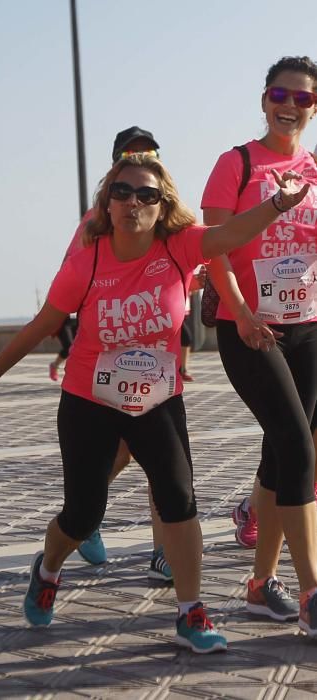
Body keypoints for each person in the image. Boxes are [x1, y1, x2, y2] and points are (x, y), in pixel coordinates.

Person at [0, 152, 308, 653]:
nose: (133, 202)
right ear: (107, 203)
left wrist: (277, 203)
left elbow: (228, 237)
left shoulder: (182, 247)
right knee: (82, 512)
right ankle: (49, 567)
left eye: (147, 195)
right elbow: (42, 325)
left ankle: (190, 613)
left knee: (180, 501)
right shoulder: (87, 262)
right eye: (122, 192)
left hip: (158, 399)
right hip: (89, 401)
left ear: (162, 207)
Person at [201, 55, 317, 636]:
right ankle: (312, 591)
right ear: (264, 98)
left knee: (279, 451)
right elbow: (213, 245)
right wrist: (242, 312)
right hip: (248, 328)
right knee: (298, 446)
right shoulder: (237, 163)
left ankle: (259, 585)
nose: (290, 105)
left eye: (302, 98)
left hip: (309, 327)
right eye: (280, 93)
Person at [73, 127, 171, 581]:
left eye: (149, 156)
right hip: (106, 360)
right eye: (129, 159)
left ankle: (163, 549)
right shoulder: (94, 225)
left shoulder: (167, 217)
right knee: (125, 450)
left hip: (156, 356)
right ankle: (85, 513)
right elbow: (69, 291)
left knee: (159, 460)